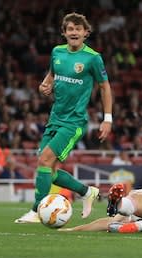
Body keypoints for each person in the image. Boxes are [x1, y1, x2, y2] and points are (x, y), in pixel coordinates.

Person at [14, 12, 113, 223]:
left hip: (74, 122)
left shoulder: (93, 58)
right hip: (54, 118)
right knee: (48, 169)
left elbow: (105, 87)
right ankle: (87, 192)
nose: (74, 32)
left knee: (44, 160)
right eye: (70, 29)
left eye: (78, 29)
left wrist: (107, 119)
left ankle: (37, 210)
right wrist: (45, 84)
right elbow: (51, 74)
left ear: (86, 33)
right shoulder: (56, 52)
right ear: (64, 32)